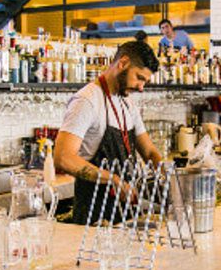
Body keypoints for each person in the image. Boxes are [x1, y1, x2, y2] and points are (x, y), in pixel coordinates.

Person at [55, 41, 163, 224]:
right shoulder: (86, 100)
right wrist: (112, 179)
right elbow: (63, 157)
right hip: (94, 217)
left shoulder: (127, 103)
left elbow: (150, 152)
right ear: (122, 63)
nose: (141, 87)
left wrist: (170, 179)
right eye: (139, 77)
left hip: (125, 214)